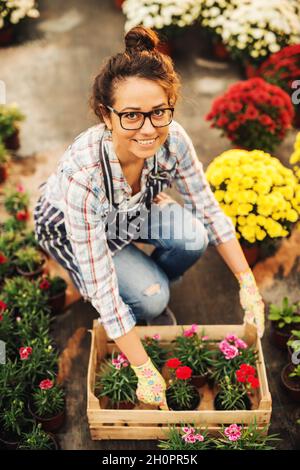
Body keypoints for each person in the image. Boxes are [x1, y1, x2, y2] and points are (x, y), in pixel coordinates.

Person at [33, 26, 265, 411]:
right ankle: (145, 298)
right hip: (71, 226)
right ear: (107, 116)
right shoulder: (84, 173)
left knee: (193, 237)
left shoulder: (173, 139)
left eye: (159, 111)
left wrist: (247, 281)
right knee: (147, 298)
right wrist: (144, 369)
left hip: (131, 210)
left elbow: (207, 209)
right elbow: (101, 283)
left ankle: (148, 287)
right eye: (131, 116)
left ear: (170, 104)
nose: (148, 128)